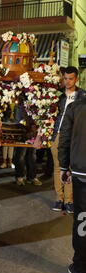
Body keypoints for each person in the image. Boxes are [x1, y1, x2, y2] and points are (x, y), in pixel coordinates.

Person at [58, 94, 86, 273]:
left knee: (83, 219)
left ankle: (81, 268)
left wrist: (63, 166)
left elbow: (65, 138)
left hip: (82, 172)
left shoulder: (75, 108)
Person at [51, 66, 85, 213]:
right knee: (58, 167)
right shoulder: (57, 95)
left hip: (74, 136)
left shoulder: (82, 96)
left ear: (76, 79)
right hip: (57, 134)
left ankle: (69, 200)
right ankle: (59, 199)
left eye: (71, 78)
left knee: (70, 168)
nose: (68, 81)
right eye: (65, 78)